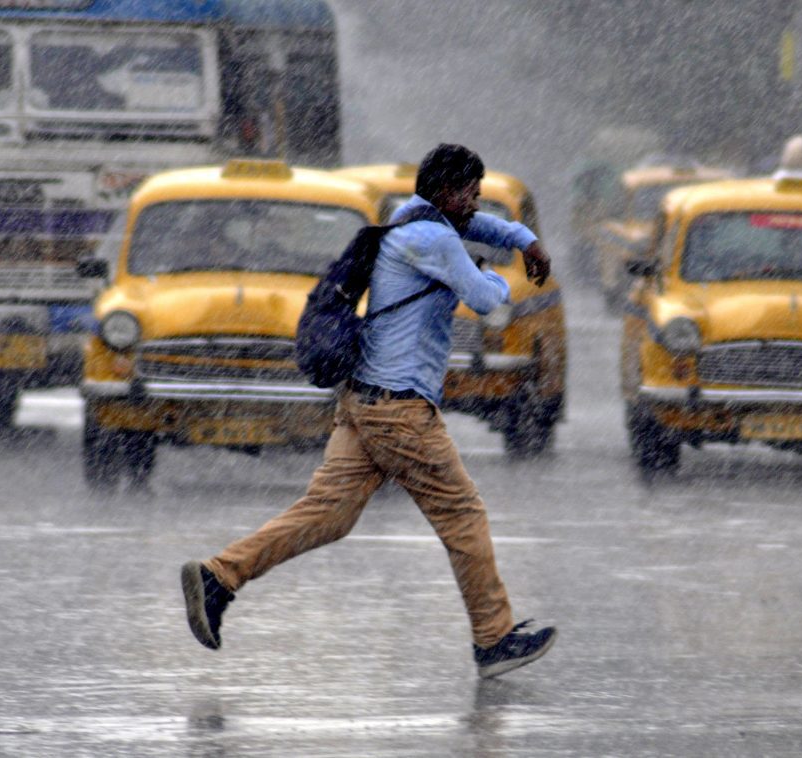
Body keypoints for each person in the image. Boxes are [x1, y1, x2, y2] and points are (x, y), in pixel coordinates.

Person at [181, 144, 558, 679]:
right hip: (400, 412)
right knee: (463, 517)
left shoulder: (407, 220)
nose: (476, 206)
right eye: (471, 196)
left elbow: (486, 228)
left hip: (363, 403)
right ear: (448, 195)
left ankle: (219, 577)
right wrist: (488, 272)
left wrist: (525, 241)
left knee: (328, 515)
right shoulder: (434, 240)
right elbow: (488, 300)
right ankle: (494, 639)